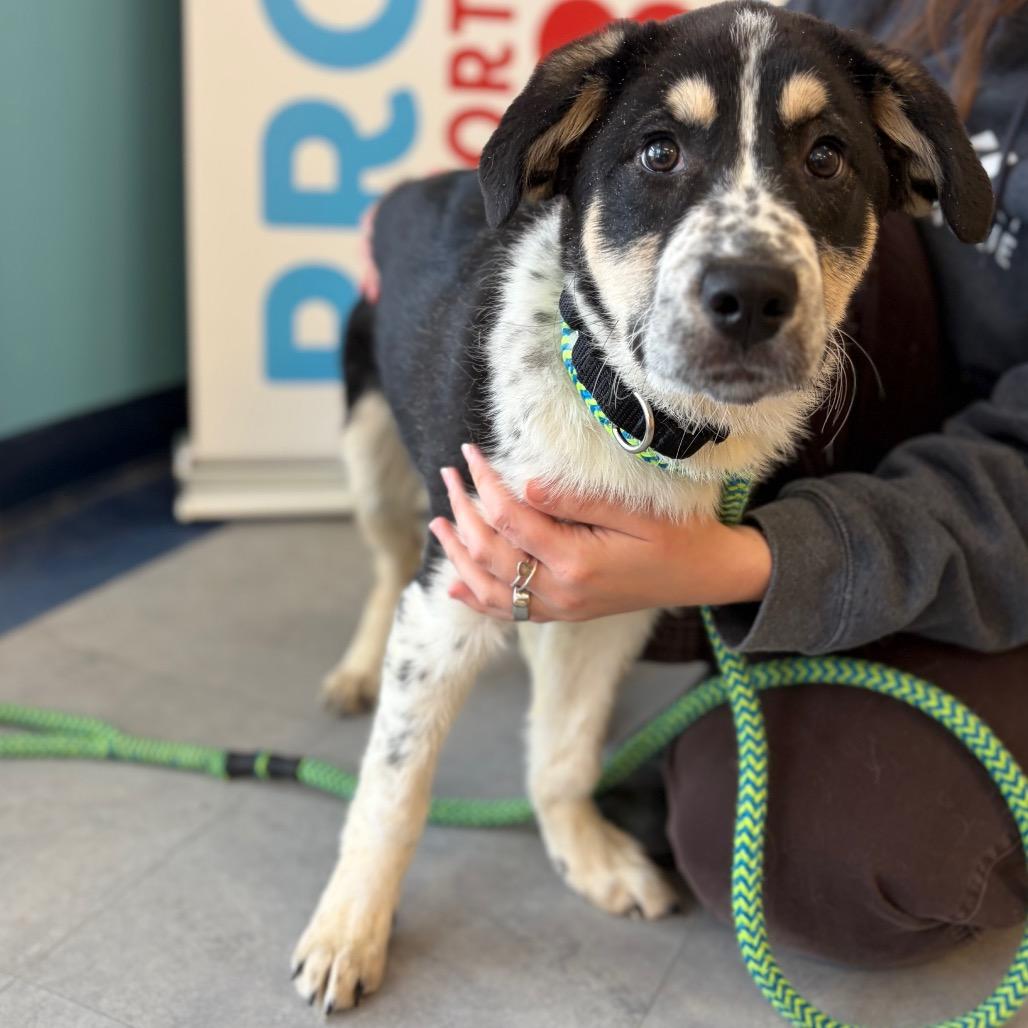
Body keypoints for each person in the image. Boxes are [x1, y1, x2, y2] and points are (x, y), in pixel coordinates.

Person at [428, 0, 1028, 967]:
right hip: (844, 438)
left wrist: (745, 561)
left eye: (823, 158)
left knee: (807, 856)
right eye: (666, 155)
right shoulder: (863, 19)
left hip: (997, 523)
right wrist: (429, 228)